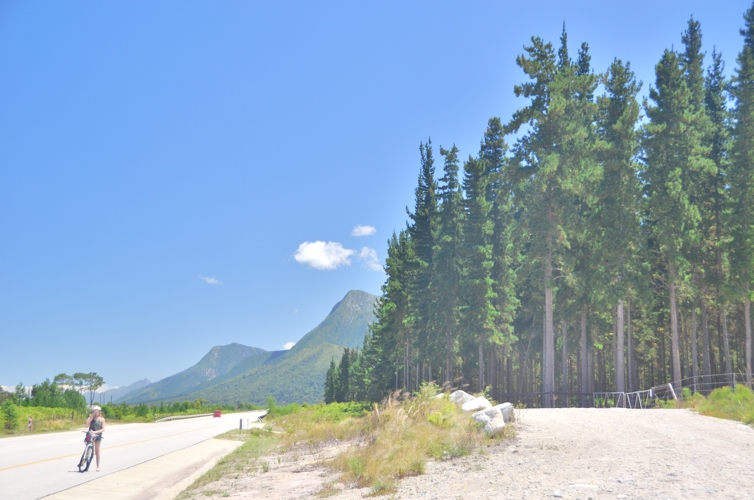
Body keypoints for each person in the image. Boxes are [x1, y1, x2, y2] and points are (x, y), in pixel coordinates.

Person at [85, 406, 106, 472]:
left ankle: (98, 466)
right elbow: (86, 426)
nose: (96, 412)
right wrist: (91, 418)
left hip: (97, 435)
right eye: (94, 411)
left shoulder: (101, 419)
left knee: (97, 451)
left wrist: (95, 432)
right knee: (87, 448)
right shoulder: (90, 418)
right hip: (90, 435)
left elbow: (103, 429)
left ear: (99, 411)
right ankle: (84, 460)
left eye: (97, 411)